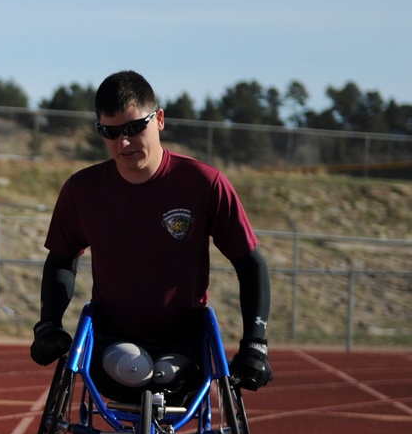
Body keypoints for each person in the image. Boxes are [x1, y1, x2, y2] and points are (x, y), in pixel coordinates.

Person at [29, 70, 273, 401]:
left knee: (160, 376)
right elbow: (61, 258)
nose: (123, 143)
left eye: (133, 129)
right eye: (110, 132)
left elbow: (250, 263)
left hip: (185, 342)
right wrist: (49, 324)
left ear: (158, 119)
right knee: (132, 369)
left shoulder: (205, 184)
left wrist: (255, 343)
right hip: (112, 340)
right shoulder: (82, 191)